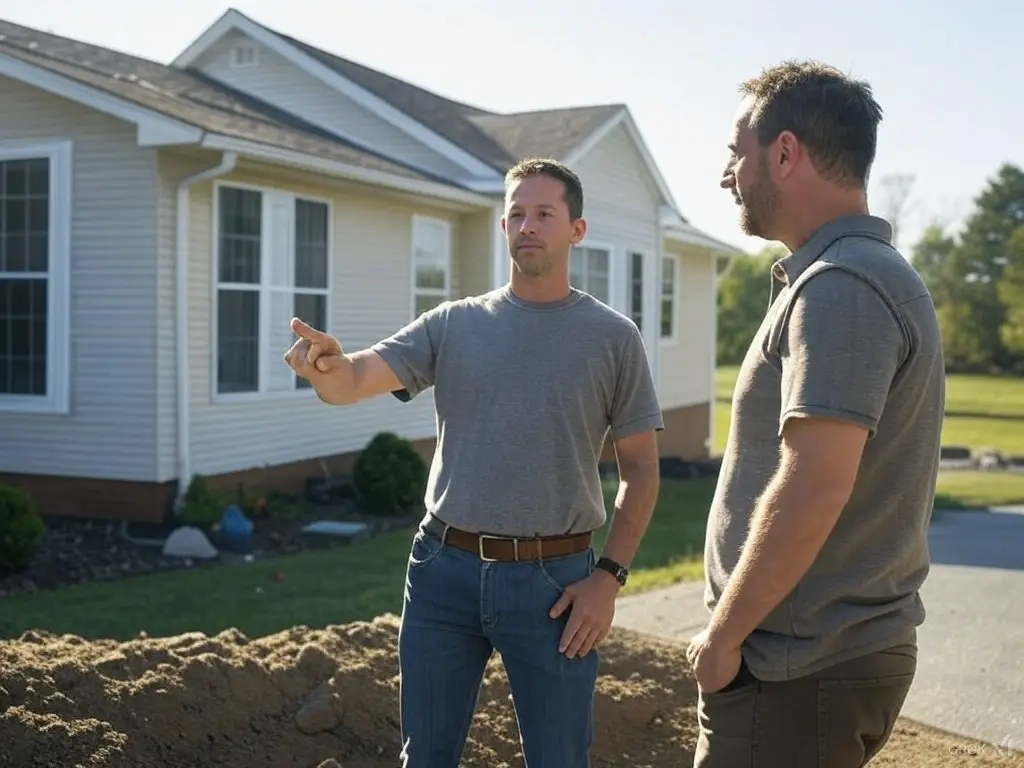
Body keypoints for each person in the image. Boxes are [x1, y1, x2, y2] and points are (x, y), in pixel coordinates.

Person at [283, 157, 663, 767]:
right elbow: (352, 381)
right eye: (516, 214)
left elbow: (641, 471)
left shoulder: (613, 337)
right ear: (503, 228)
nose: (527, 226)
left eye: (544, 213)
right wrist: (324, 367)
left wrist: (608, 578)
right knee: (425, 758)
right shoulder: (455, 325)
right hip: (442, 572)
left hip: (557, 585)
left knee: (560, 760)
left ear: (577, 230)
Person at [686, 60, 945, 767]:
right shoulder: (852, 279)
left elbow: (815, 482)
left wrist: (722, 640)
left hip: (798, 669)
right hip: (816, 662)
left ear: (786, 152)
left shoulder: (843, 287)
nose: (726, 173)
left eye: (736, 152)